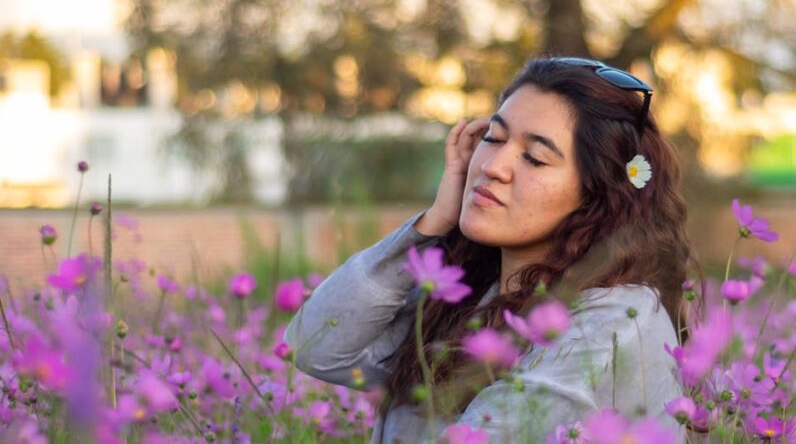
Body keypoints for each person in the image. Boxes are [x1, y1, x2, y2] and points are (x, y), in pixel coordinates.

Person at [284, 57, 696, 443]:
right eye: (493, 137)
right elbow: (316, 347)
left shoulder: (614, 317)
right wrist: (431, 225)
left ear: (599, 195)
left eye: (534, 158)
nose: (492, 165)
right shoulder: (467, 300)